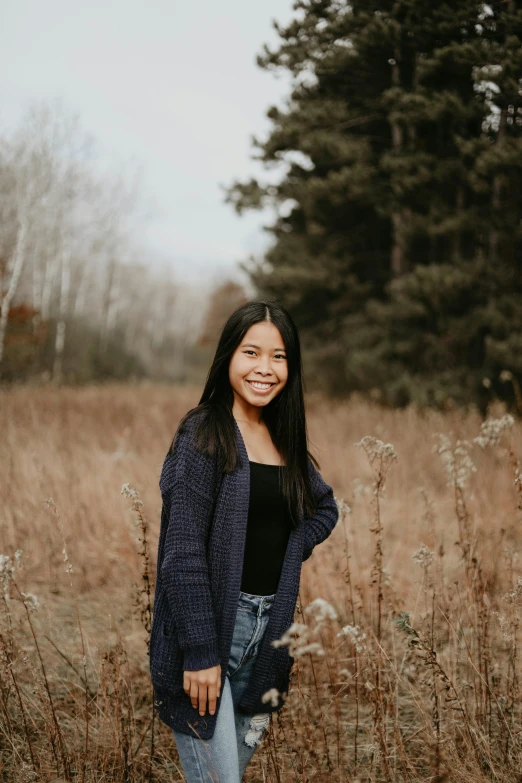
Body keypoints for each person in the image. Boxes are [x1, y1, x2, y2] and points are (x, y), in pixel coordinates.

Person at [150, 298, 339, 782]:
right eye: (251, 352)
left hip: (269, 637)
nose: (265, 368)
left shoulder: (282, 438)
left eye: (278, 356)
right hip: (213, 631)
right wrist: (200, 652)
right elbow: (183, 552)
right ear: (228, 357)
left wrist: (292, 548)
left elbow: (324, 508)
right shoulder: (206, 432)